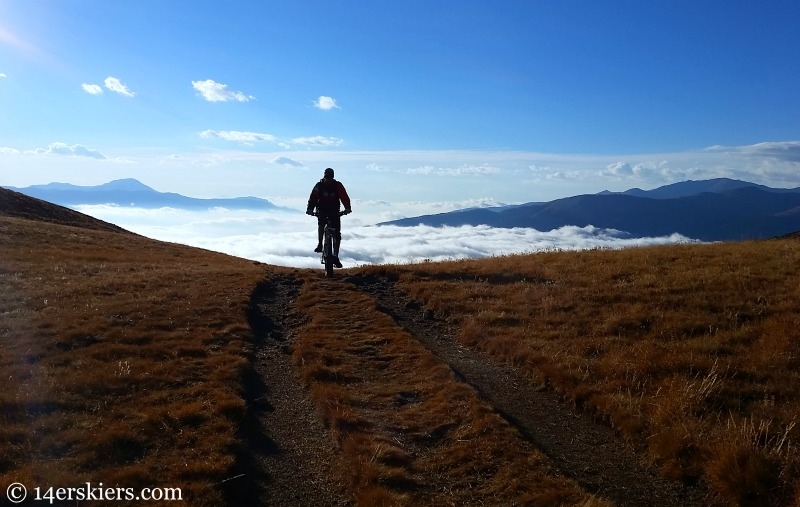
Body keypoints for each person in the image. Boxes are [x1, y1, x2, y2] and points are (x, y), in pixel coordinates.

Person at [306, 168, 351, 268]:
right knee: (321, 224)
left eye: (330, 178)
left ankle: (336, 256)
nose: (328, 179)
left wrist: (347, 207)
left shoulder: (337, 186)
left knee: (337, 234)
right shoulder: (319, 186)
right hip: (322, 210)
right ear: (324, 177)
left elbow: (344, 196)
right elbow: (313, 197)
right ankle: (320, 244)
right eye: (327, 177)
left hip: (334, 211)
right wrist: (310, 208)